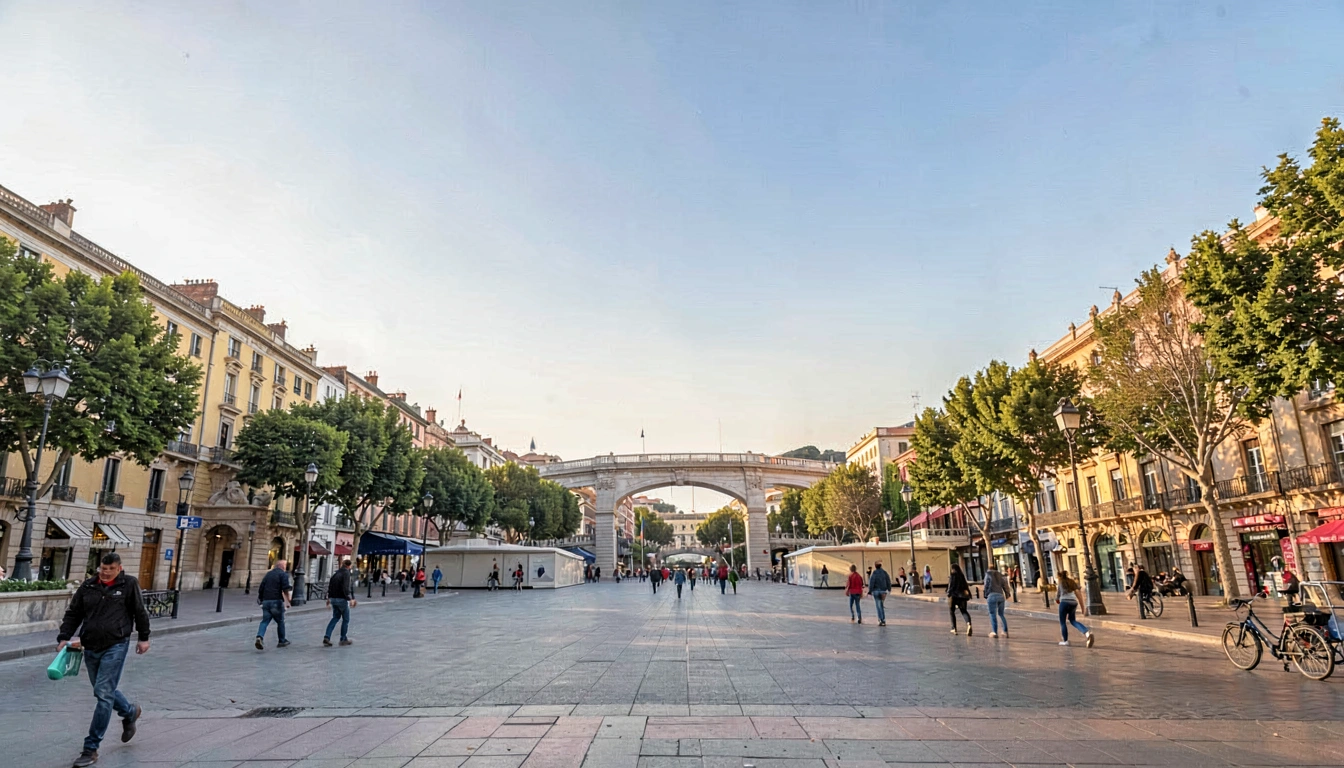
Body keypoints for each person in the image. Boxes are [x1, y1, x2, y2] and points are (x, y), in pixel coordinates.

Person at [56, 553, 151, 768]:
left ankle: (91, 748)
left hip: (116, 643)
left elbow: (139, 611)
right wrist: (64, 637)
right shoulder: (89, 586)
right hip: (90, 645)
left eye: (110, 569)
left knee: (103, 693)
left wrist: (144, 638)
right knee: (103, 690)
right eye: (103, 568)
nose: (106, 572)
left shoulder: (128, 584)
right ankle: (129, 711)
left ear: (119, 568)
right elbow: (74, 613)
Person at [256, 559, 292, 650]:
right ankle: (282, 640)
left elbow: (261, 587)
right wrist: (288, 600)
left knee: (265, 621)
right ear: (283, 566)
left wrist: (261, 599)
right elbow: (285, 588)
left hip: (266, 601)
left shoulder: (268, 574)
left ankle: (259, 636)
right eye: (285, 565)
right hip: (276, 601)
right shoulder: (283, 574)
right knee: (280, 621)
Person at [1056, 570, 1094, 647]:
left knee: (1063, 622)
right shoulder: (1071, 582)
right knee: (1073, 620)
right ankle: (1087, 633)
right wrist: (1083, 608)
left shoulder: (1060, 583)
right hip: (1073, 603)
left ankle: (1065, 641)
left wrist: (1062, 607)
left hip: (1064, 603)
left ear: (1059, 576)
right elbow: (1078, 595)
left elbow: (1057, 598)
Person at [324, 559, 357, 647]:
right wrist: (350, 599)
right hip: (341, 599)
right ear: (349, 566)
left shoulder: (335, 573)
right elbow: (345, 587)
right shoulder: (346, 573)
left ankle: (327, 636)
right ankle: (343, 639)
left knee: (335, 618)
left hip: (333, 599)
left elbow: (330, 586)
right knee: (346, 619)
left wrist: (329, 598)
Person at [983, 563, 1009, 638]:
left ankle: (994, 632)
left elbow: (986, 586)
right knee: (1001, 614)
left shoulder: (988, 575)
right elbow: (1005, 585)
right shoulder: (1000, 575)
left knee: (992, 614)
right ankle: (1005, 631)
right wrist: (1007, 594)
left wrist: (986, 595)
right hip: (1000, 595)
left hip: (991, 595)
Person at [946, 563, 972, 635]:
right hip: (962, 597)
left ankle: (954, 628)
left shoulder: (952, 576)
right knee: (964, 611)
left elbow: (950, 586)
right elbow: (966, 586)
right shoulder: (962, 576)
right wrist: (969, 594)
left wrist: (948, 593)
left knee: (952, 611)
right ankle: (968, 623)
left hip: (953, 596)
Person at [867, 561, 891, 626]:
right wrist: (889, 589)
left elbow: (872, 582)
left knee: (878, 606)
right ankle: (883, 619)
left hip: (876, 591)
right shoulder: (884, 573)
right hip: (883, 591)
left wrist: (870, 591)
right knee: (881, 605)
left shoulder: (874, 573)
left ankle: (880, 619)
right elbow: (888, 581)